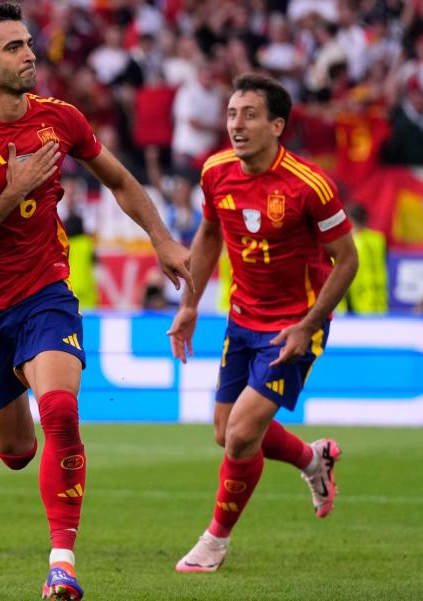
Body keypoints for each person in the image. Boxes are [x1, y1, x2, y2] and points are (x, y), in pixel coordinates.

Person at [0, 5, 192, 599]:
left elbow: (119, 180)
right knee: (18, 451)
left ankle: (62, 564)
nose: (30, 56)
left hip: (45, 291)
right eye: (15, 47)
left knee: (62, 413)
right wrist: (13, 190)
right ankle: (12, 409)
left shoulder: (60, 119)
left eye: (29, 44)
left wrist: (163, 239)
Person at [167, 73, 359, 573]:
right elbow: (209, 233)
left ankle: (215, 542)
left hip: (294, 326)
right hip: (241, 320)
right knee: (224, 433)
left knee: (241, 435)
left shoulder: (309, 185)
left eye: (249, 115)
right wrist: (189, 303)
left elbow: (348, 260)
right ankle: (311, 460)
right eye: (232, 114)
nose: (237, 124)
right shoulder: (215, 171)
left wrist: (308, 325)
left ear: (277, 125)